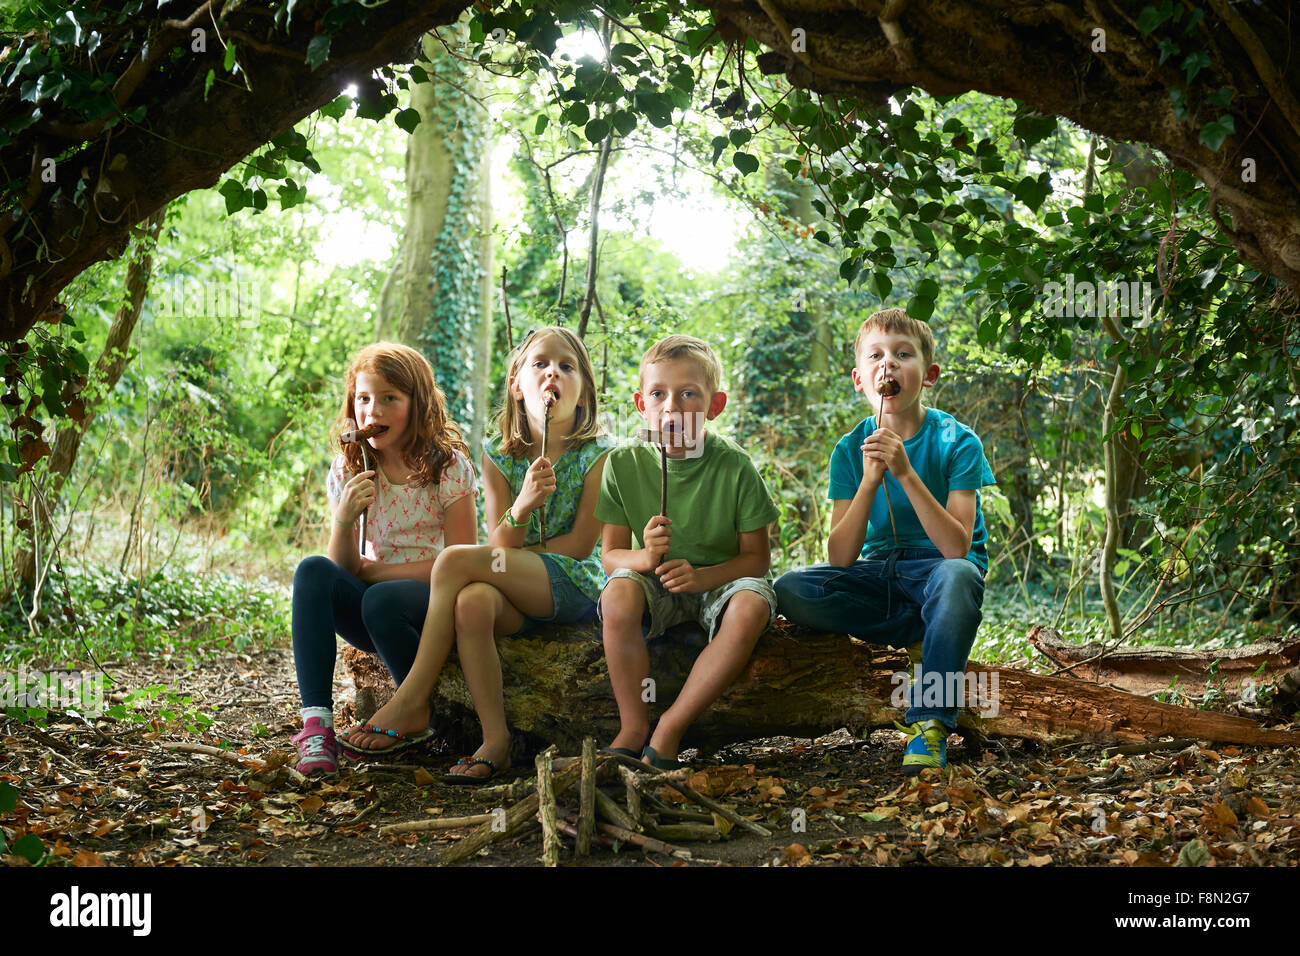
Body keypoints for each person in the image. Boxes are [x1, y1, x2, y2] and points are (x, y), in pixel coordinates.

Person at [340, 327, 613, 784]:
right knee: (472, 603)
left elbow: (582, 546)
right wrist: (523, 506)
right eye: (540, 363)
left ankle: (411, 698)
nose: (553, 373)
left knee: (453, 561)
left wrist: (515, 556)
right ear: (515, 383)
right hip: (516, 586)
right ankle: (495, 740)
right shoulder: (499, 456)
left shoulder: (600, 456)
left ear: (583, 393)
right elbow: (502, 549)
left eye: (567, 367)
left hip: (575, 585)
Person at [775, 308, 996, 774]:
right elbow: (839, 558)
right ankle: (923, 629)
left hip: (940, 571)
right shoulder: (847, 450)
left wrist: (904, 471)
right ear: (860, 378)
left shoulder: (958, 440)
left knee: (956, 578)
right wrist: (870, 480)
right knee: (792, 588)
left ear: (929, 374)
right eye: (875, 356)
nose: (888, 365)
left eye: (902, 354)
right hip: (879, 572)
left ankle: (930, 722)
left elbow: (957, 549)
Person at [291, 342, 477, 775]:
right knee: (312, 571)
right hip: (376, 606)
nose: (373, 411)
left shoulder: (446, 466)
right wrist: (343, 518)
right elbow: (342, 571)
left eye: (390, 398)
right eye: (364, 398)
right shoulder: (350, 466)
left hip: (430, 601)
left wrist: (377, 573)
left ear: (418, 404)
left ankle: (415, 709)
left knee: (383, 598)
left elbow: (462, 559)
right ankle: (316, 726)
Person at [596, 334, 780, 770]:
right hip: (654, 582)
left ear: (715, 406)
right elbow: (610, 557)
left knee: (752, 605)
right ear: (641, 404)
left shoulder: (734, 465)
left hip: (722, 581)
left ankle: (670, 728)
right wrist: (643, 558)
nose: (671, 407)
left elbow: (757, 559)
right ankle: (633, 726)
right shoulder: (624, 464)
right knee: (617, 595)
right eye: (659, 394)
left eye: (688, 394)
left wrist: (703, 578)